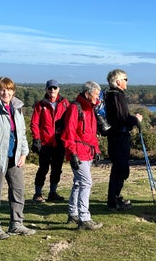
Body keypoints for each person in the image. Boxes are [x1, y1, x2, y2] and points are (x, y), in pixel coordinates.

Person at [0, 76, 36, 240]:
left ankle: (16, 224)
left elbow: (21, 134)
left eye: (9, 89)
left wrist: (24, 153)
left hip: (15, 158)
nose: (6, 93)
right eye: (3, 89)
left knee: (18, 191)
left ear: (13, 91)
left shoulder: (17, 109)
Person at [62, 81, 103, 230]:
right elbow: (69, 132)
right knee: (86, 183)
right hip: (78, 152)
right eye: (96, 94)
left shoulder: (89, 108)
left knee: (79, 183)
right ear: (87, 94)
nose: (98, 97)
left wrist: (96, 150)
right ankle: (84, 218)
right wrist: (72, 153)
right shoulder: (75, 108)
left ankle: (73, 213)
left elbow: (91, 133)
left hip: (87, 152)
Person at [105, 69, 143, 211]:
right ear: (118, 81)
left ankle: (115, 198)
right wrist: (136, 119)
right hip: (119, 137)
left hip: (116, 136)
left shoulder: (111, 95)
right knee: (120, 169)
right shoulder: (116, 96)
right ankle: (114, 201)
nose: (127, 81)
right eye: (125, 79)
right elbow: (123, 118)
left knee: (119, 168)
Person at [30, 79, 70, 203]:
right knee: (43, 168)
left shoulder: (65, 104)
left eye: (54, 88)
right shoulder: (40, 105)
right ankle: (38, 193)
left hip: (59, 142)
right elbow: (34, 123)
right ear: (46, 89)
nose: (52, 90)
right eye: (50, 88)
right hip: (45, 143)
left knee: (57, 169)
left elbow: (70, 121)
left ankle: (53, 192)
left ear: (58, 89)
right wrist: (36, 139)